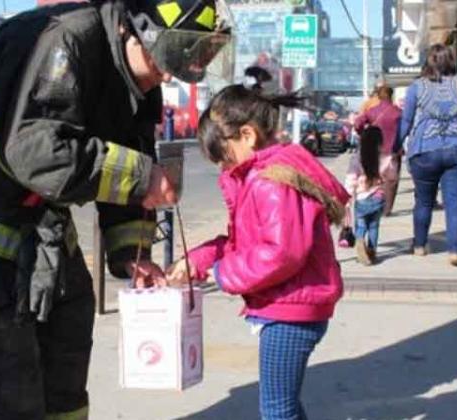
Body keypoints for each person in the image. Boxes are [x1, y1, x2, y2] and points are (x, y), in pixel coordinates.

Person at [0, 0, 232, 418]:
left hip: (33, 207)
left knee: (70, 326)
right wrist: (141, 176)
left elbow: (129, 147)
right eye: (163, 62)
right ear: (132, 29)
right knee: (5, 370)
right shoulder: (65, 38)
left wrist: (134, 256)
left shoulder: (137, 78)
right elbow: (36, 152)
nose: (166, 75)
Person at [166, 84, 350, 420]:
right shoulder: (266, 175)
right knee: (285, 406)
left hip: (290, 310)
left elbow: (281, 253)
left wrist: (223, 274)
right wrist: (202, 258)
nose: (224, 168)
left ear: (247, 135)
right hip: (293, 305)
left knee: (277, 411)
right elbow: (249, 242)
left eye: (224, 156)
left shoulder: (270, 181)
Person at [397, 44, 457, 266]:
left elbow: (406, 121)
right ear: (451, 61)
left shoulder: (417, 86)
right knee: (454, 201)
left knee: (424, 201)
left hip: (424, 150)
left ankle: (419, 245)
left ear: (429, 61)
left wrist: (394, 146)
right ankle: (455, 251)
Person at [354, 85, 403, 216]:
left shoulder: (371, 111)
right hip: (393, 150)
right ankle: (387, 209)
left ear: (379, 96)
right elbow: (405, 128)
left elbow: (357, 123)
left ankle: (374, 203)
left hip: (375, 149)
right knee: (391, 181)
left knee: (374, 176)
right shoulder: (398, 112)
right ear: (391, 95)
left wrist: (363, 134)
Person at [345, 126, 385, 265]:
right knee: (374, 226)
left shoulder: (357, 158)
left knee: (361, 226)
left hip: (362, 199)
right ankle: (372, 252)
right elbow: (390, 174)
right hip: (378, 198)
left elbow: (351, 179)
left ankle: (360, 243)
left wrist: (347, 196)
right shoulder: (382, 158)